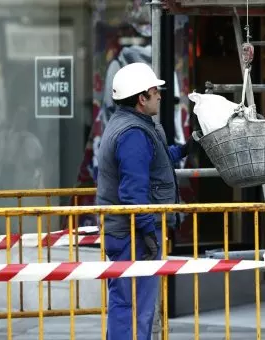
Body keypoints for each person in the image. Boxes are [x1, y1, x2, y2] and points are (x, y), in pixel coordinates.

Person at [96, 62, 189, 340]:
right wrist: (149, 232)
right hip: (134, 233)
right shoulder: (133, 134)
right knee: (134, 306)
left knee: (128, 303)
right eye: (154, 91)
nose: (160, 95)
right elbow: (133, 193)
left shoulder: (131, 126)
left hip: (128, 231)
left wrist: (185, 149)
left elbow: (155, 160)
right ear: (141, 98)